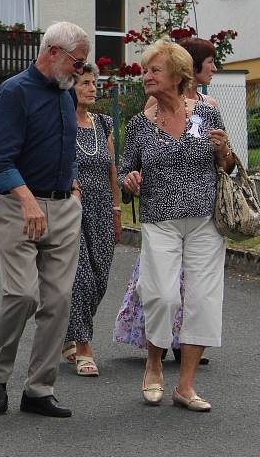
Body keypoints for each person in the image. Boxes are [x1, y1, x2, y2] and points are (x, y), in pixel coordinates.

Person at [119, 40, 233, 412]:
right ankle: (154, 363)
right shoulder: (140, 124)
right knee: (163, 295)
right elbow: (124, 171)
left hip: (205, 221)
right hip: (160, 220)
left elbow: (226, 166)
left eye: (154, 70)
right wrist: (129, 181)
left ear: (178, 76)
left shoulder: (207, 115)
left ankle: (186, 386)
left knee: (203, 300)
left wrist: (224, 154)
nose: (146, 76)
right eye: (145, 70)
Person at [0, 21, 88, 418]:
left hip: (61, 207)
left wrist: (71, 183)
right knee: (23, 295)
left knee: (59, 301)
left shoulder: (64, 92)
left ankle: (39, 389)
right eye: (77, 62)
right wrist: (28, 201)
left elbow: (64, 144)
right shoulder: (14, 92)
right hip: (17, 205)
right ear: (54, 52)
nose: (81, 71)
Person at [61, 63, 121, 377]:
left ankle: (70, 331)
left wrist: (116, 210)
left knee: (99, 280)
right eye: (85, 83)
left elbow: (112, 168)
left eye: (94, 83)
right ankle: (84, 346)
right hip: (72, 209)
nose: (92, 88)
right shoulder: (60, 123)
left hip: (101, 210)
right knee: (81, 277)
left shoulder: (103, 123)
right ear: (70, 87)